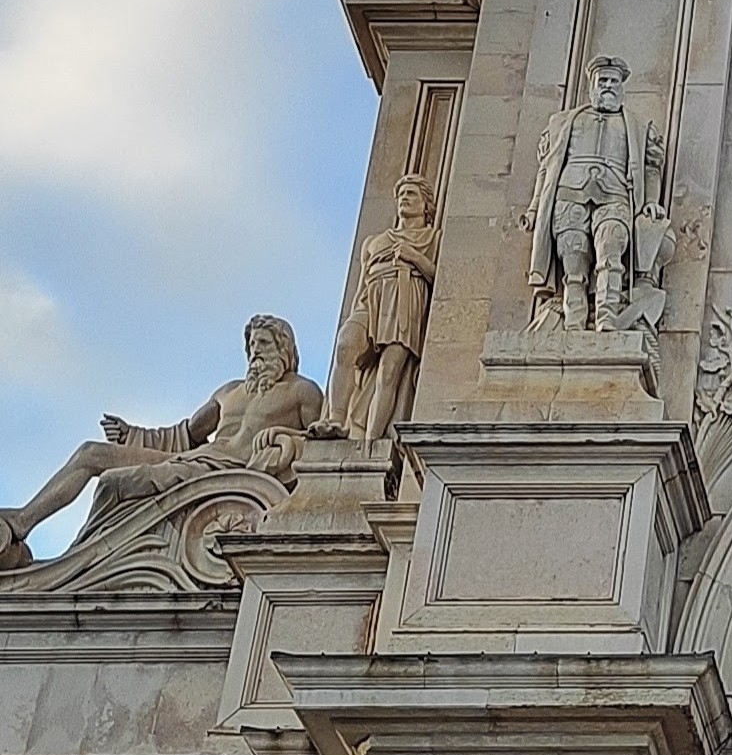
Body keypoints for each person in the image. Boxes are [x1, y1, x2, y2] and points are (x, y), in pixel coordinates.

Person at [0, 315, 322, 568]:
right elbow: (185, 435)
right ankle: (21, 521)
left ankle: (74, 565)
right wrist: (132, 435)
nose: (255, 353)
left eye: (263, 344)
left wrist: (285, 438)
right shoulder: (229, 391)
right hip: (194, 462)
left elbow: (322, 447)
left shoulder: (303, 392)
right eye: (251, 345)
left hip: (224, 476)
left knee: (115, 485)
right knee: (90, 453)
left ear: (284, 348)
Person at [524, 56, 668, 333]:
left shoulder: (638, 125)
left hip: (615, 197)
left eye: (614, 81)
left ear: (622, 87)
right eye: (603, 81)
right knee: (573, 262)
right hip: (569, 197)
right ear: (592, 85)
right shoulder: (563, 122)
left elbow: (652, 166)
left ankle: (607, 317)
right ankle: (575, 324)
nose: (608, 86)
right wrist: (533, 209)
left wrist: (651, 201)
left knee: (611, 252)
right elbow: (547, 168)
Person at [321, 173, 441, 443]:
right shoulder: (373, 242)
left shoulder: (433, 238)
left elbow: (441, 281)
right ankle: (335, 419)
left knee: (389, 371)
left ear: (426, 205)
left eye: (411, 194)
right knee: (346, 344)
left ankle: (370, 441)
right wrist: (356, 310)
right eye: (401, 194)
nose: (404, 199)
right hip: (371, 299)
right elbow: (362, 283)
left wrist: (415, 258)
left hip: (406, 296)